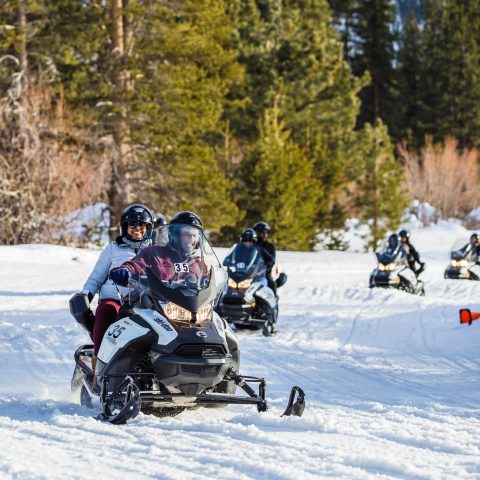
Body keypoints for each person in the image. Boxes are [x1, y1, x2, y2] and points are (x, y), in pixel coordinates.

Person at [75, 203, 153, 384]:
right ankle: (99, 370)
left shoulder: (154, 251)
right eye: (132, 225)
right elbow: (96, 277)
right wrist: (86, 295)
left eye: (142, 226)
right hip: (115, 298)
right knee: (106, 312)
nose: (137, 230)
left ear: (148, 228)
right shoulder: (113, 249)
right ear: (124, 227)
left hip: (146, 300)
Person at [111, 211, 207, 287]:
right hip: (149, 306)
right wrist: (125, 271)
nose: (192, 240)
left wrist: (209, 281)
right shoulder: (154, 254)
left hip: (185, 309)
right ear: (174, 235)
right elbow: (135, 265)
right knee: (126, 312)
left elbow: (209, 281)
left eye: (194, 235)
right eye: (186, 235)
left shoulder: (198, 264)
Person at [253, 221, 277, 295]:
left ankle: (273, 303)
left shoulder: (269, 246)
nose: (264, 235)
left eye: (266, 233)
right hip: (248, 273)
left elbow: (272, 260)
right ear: (256, 233)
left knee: (272, 285)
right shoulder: (250, 245)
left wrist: (266, 267)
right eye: (262, 232)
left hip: (264, 274)